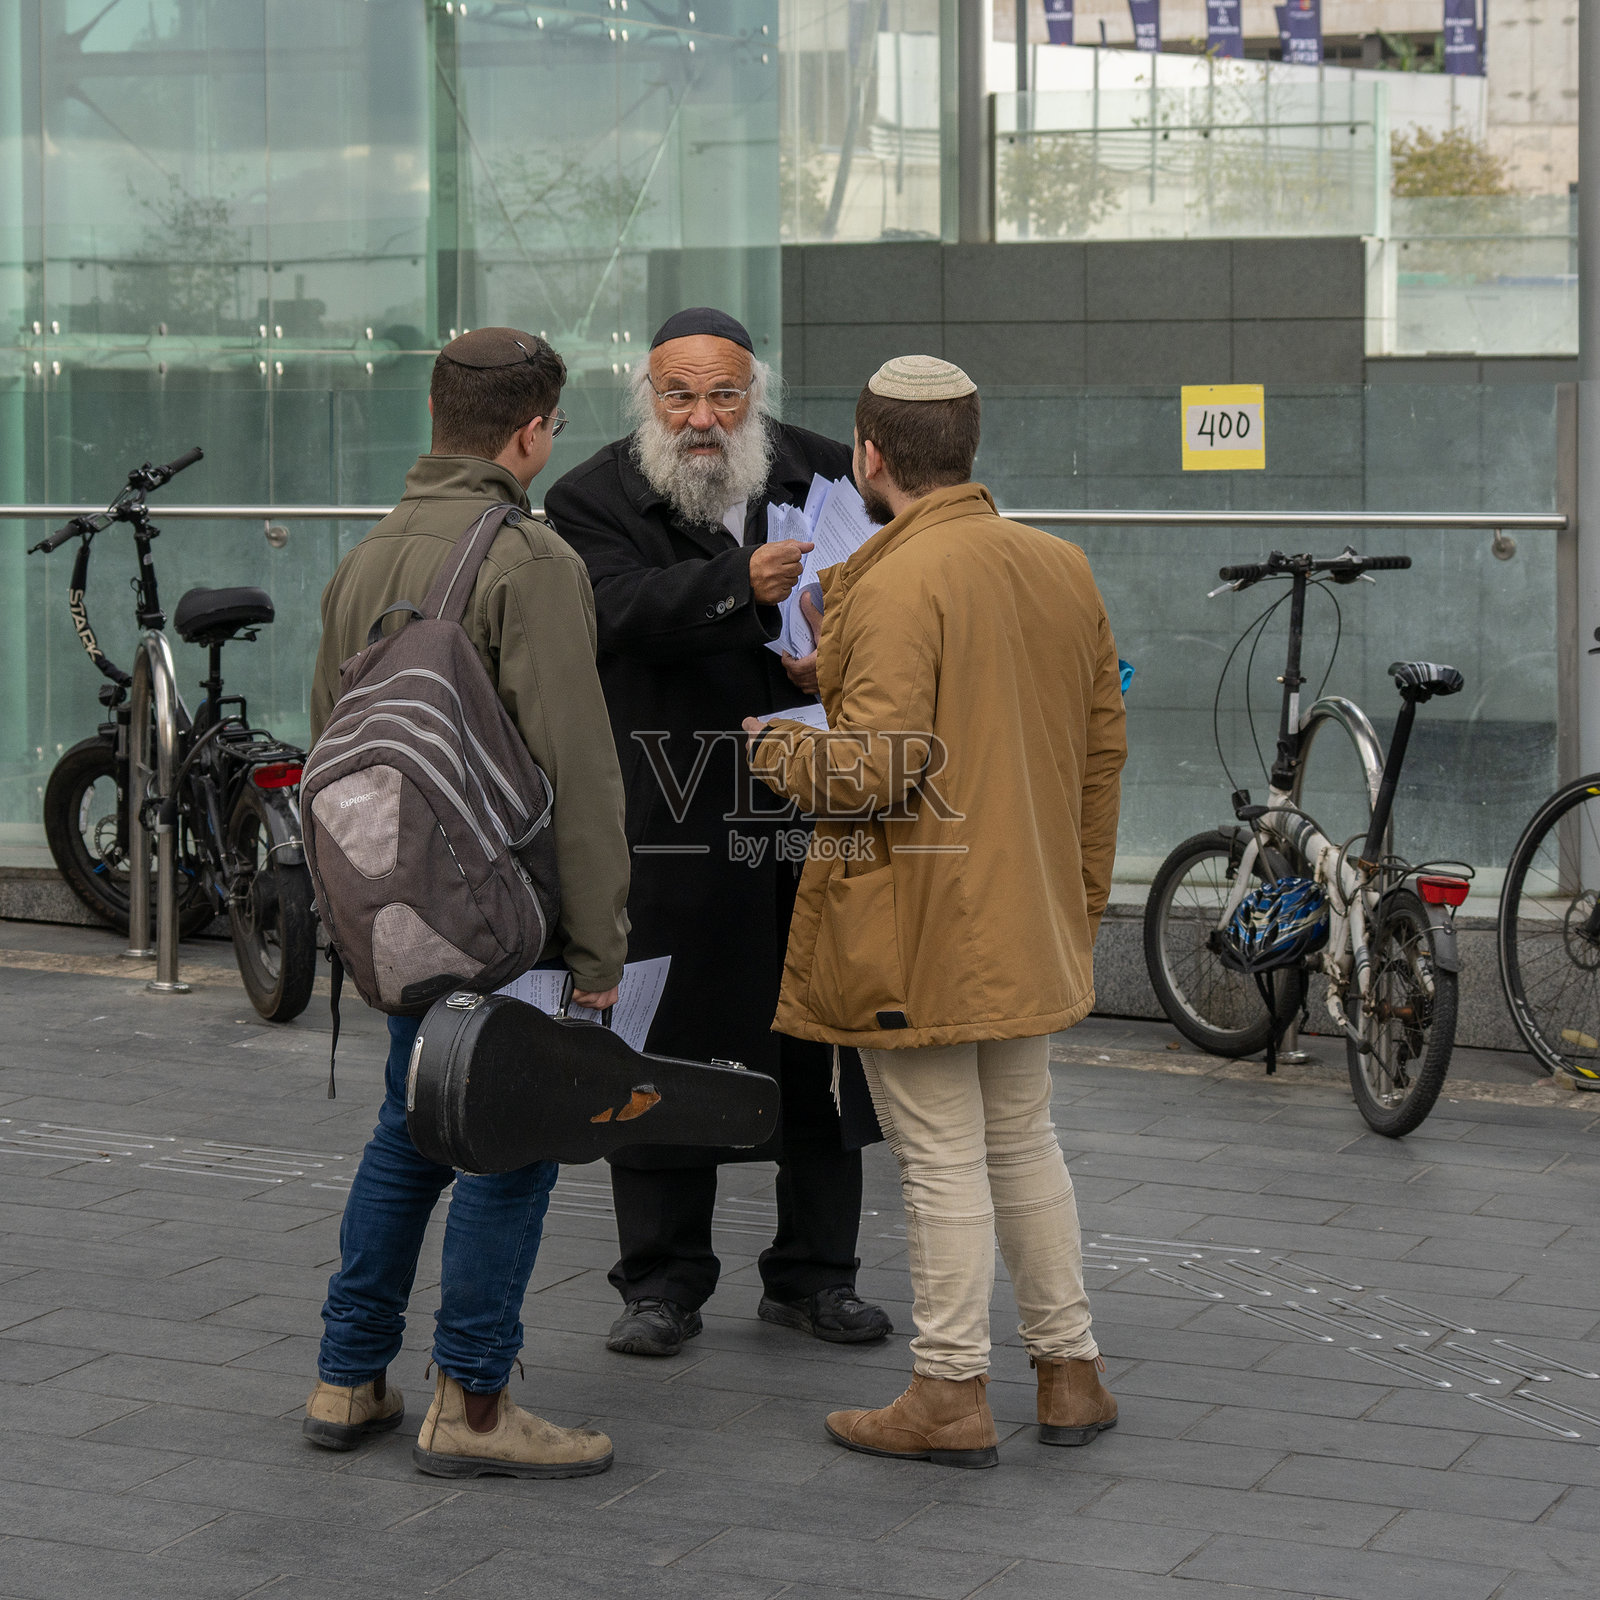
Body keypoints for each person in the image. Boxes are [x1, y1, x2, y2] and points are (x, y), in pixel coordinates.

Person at [745, 354, 1127, 1469]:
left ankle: (949, 1389)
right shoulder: (1057, 563)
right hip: (1027, 903)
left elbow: (874, 769)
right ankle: (1070, 1373)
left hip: (917, 916)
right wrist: (1082, 894)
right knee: (1022, 1137)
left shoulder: (895, 578)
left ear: (868, 456)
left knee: (941, 1157)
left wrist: (775, 745)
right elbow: (1096, 746)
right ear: (965, 446)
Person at [303, 328, 630, 1480]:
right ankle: (475, 1406)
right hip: (511, 922)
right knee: (507, 1147)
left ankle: (347, 1378)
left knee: (408, 1129)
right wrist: (600, 948)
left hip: (405, 914)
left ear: (437, 417)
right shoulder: (526, 561)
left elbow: (327, 753)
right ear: (532, 432)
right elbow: (577, 771)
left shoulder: (366, 558)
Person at [544, 307, 892, 1358]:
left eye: (724, 395)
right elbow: (610, 609)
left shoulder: (824, 473)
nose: (702, 418)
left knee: (822, 1051)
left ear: (757, 396)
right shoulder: (589, 495)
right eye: (680, 396)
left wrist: (836, 655)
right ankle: (662, 1281)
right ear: (646, 399)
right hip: (671, 815)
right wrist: (736, 592)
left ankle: (814, 1276)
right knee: (659, 1047)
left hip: (805, 816)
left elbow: (894, 584)